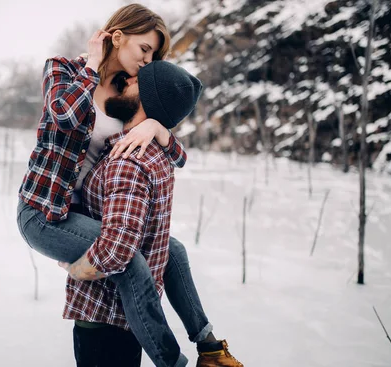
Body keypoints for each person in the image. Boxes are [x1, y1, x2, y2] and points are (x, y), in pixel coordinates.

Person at [16, 4, 242, 366]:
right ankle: (174, 362)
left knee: (174, 250)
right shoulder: (64, 69)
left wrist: (157, 128)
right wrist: (91, 66)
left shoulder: (129, 93)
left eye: (153, 55)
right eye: (144, 50)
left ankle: (210, 345)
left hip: (87, 212)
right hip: (45, 213)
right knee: (131, 261)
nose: (146, 61)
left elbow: (178, 157)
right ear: (118, 37)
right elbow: (65, 115)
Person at [59, 61, 243, 367]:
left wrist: (74, 267)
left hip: (104, 321)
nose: (127, 79)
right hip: (124, 323)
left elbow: (116, 250)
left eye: (136, 80)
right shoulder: (158, 153)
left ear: (148, 99)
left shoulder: (126, 163)